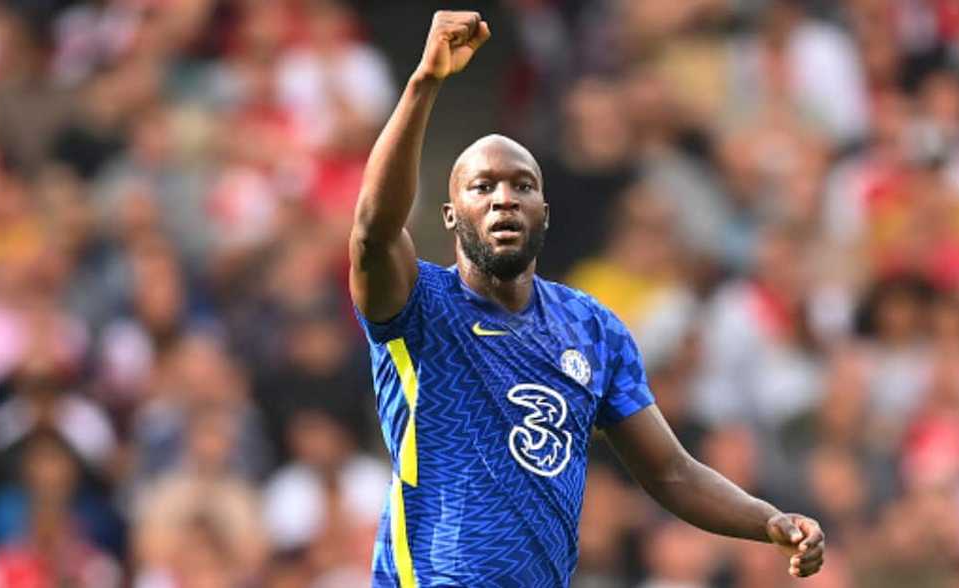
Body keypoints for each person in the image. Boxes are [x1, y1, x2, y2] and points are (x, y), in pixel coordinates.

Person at [349, 11, 825, 586]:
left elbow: (671, 472)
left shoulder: (590, 327)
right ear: (450, 216)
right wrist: (425, 83)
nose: (504, 199)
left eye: (522, 186)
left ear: (544, 214)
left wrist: (767, 519)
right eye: (483, 187)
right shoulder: (420, 305)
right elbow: (374, 229)